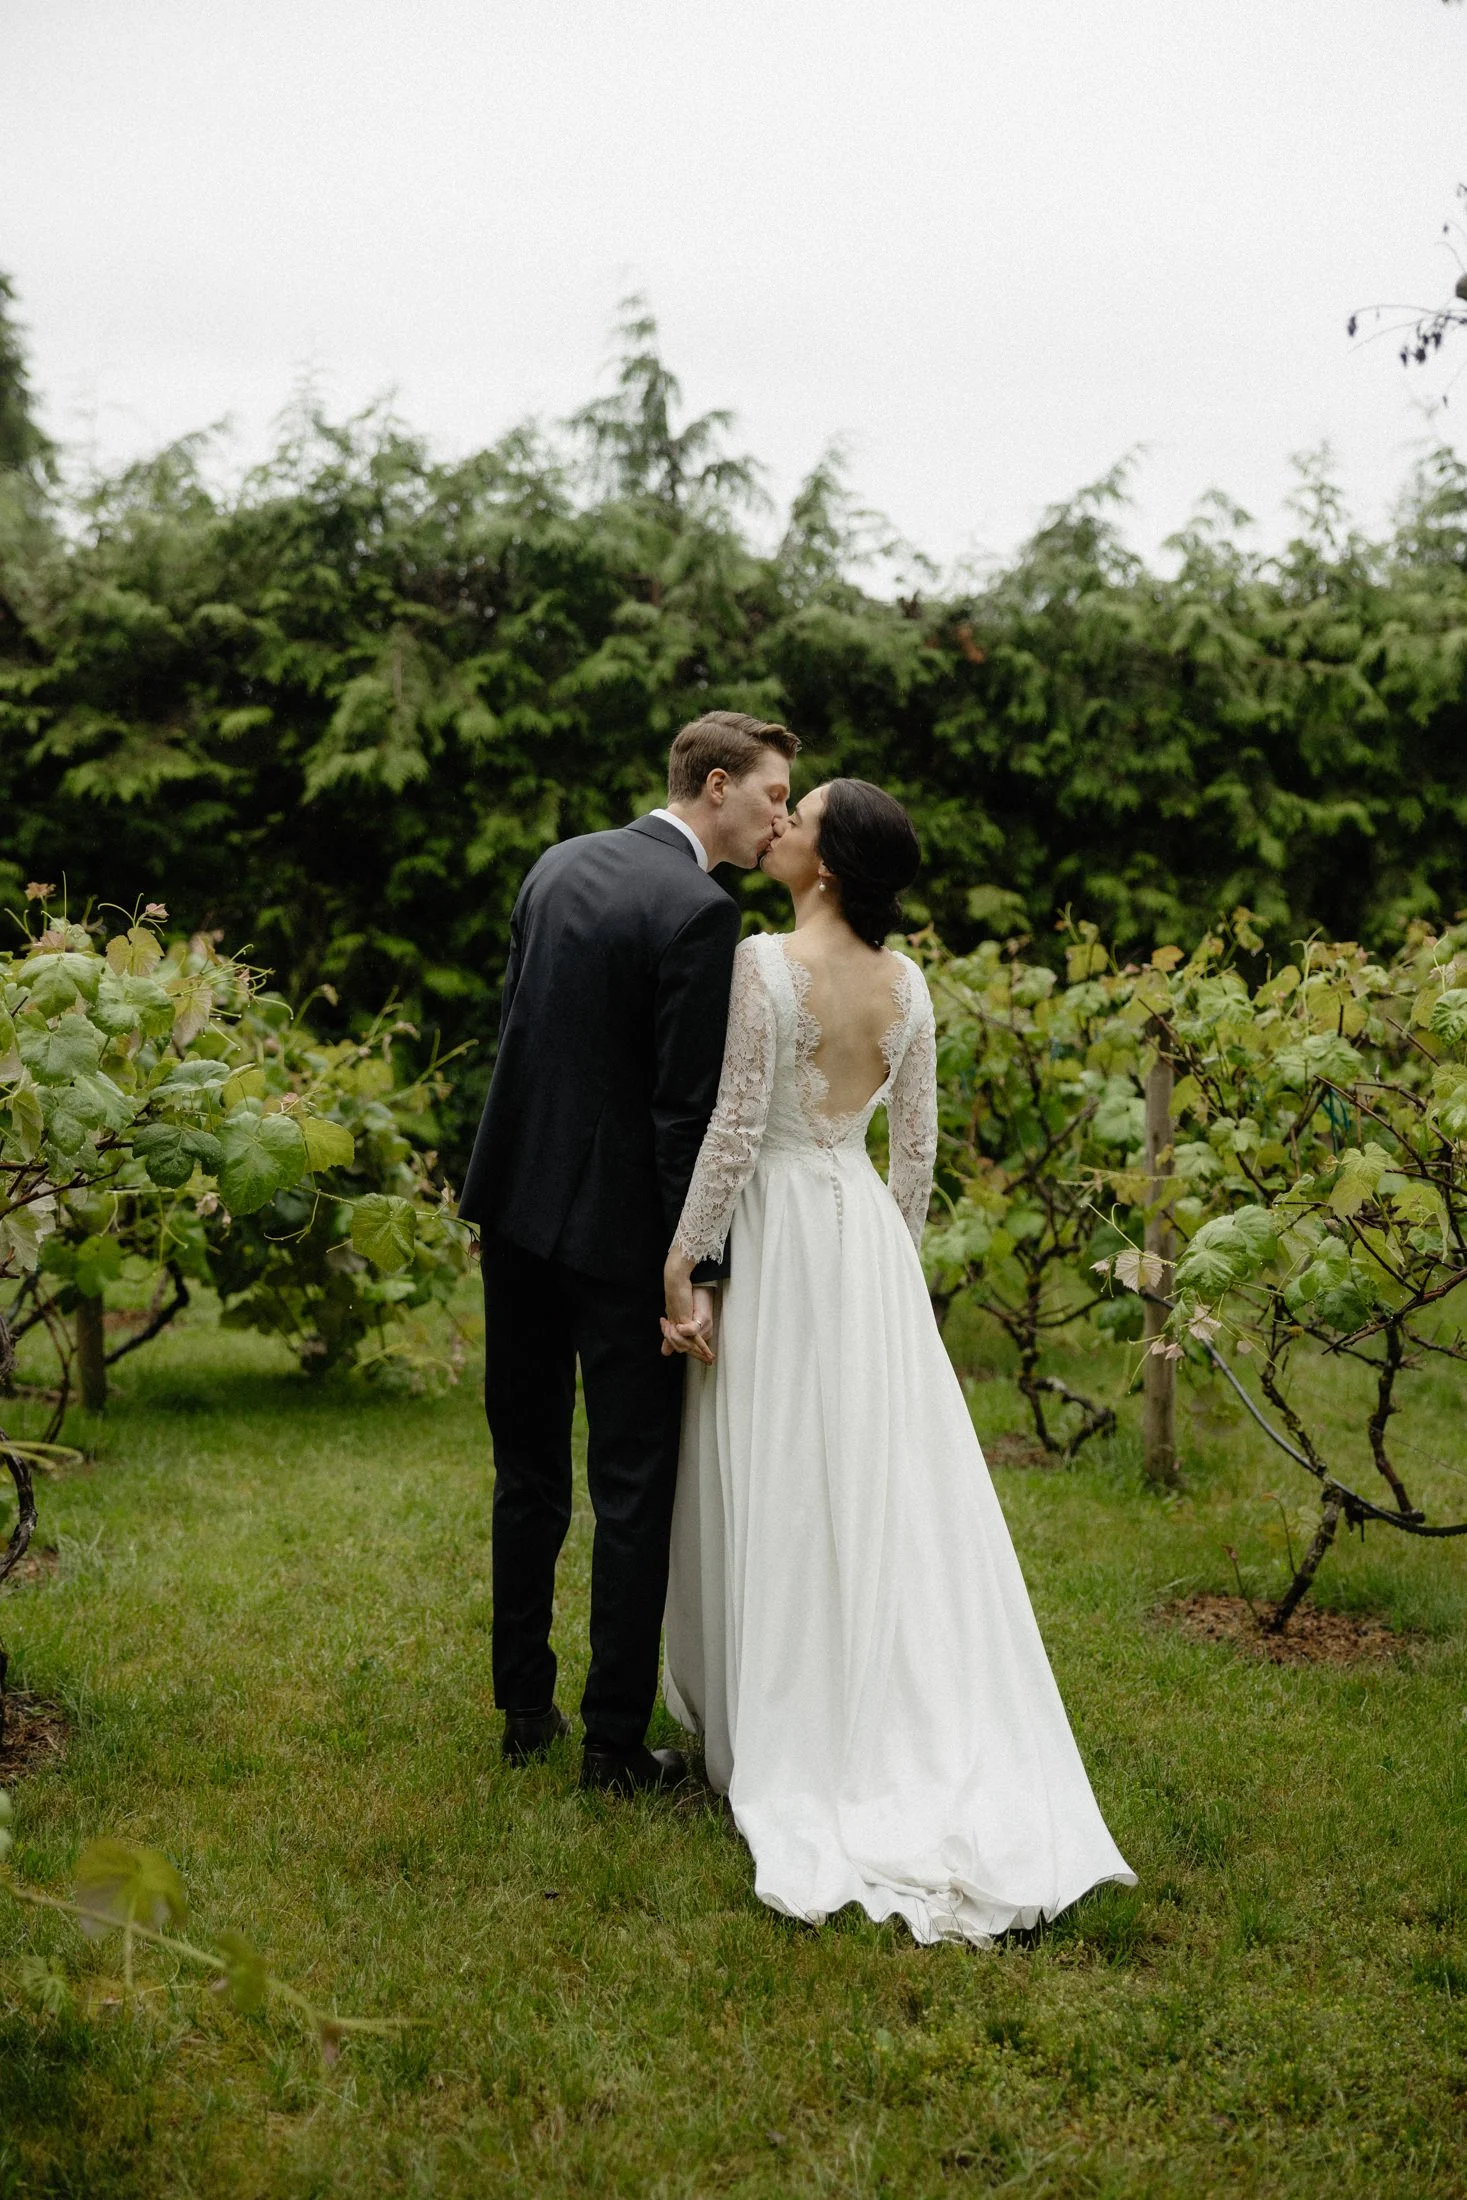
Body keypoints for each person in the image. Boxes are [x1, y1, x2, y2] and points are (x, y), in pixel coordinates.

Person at [660, 779, 1134, 1942]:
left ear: (826, 864)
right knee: (875, 1487)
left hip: (773, 1232)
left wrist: (683, 1262)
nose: (782, 825)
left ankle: (789, 1729)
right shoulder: (910, 986)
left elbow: (731, 1130)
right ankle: (885, 1706)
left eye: (801, 817)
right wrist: (887, 1277)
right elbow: (913, 1154)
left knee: (779, 1472)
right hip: (863, 1240)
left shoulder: (764, 964)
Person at [458, 711, 797, 1793]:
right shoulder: (703, 911)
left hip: (510, 1213)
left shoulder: (555, 864)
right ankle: (611, 1741)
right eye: (770, 795)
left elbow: (521, 1028)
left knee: (527, 1473)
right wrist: (693, 1264)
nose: (779, 816)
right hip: (615, 1242)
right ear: (712, 784)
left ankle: (523, 1708)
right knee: (632, 1486)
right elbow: (681, 1113)